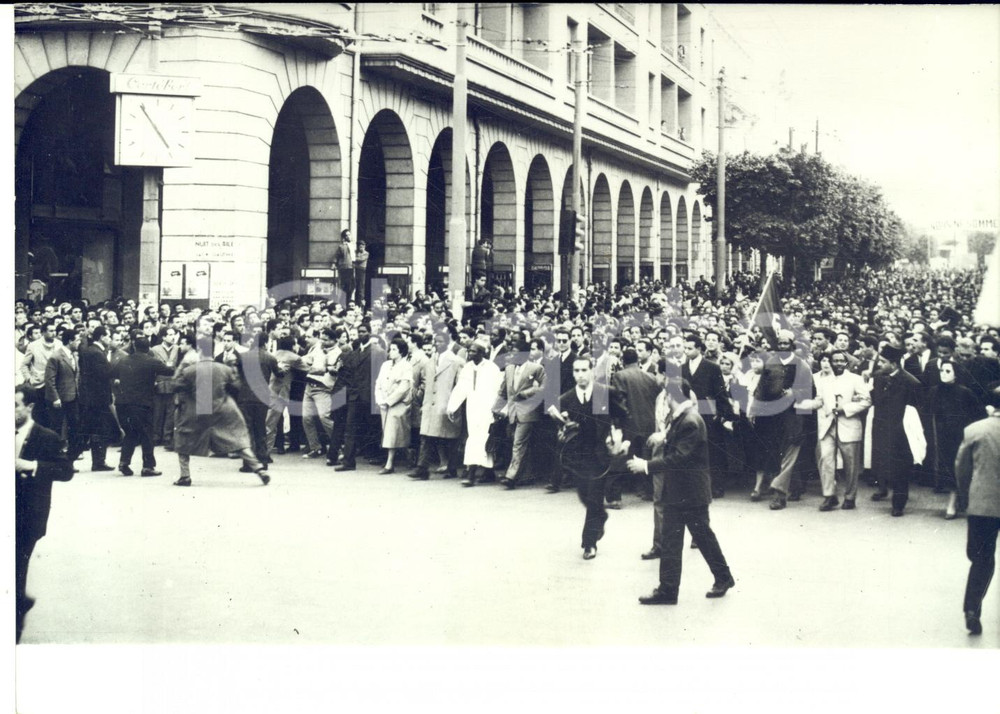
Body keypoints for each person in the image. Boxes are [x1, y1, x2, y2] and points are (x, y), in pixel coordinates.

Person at [628, 366, 735, 605]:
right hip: (680, 492)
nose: (665, 399)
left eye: (666, 395)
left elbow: (679, 458)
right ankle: (668, 590)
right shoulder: (683, 418)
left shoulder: (690, 421)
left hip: (690, 493)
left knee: (702, 538)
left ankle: (722, 577)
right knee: (673, 541)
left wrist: (646, 466)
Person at [15, 384, 73, 642]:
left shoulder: (46, 437)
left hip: (27, 516)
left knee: (15, 567)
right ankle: (20, 601)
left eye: (14, 406)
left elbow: (66, 471)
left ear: (30, 407)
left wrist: (31, 465)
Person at [171, 336, 270, 487]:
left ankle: (185, 476)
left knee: (183, 440)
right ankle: (258, 468)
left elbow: (176, 385)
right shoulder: (224, 369)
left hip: (198, 409)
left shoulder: (190, 370)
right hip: (223, 408)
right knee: (238, 439)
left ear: (199, 351)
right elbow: (236, 385)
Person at [552, 355, 616, 560]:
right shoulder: (566, 399)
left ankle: (589, 543)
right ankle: (601, 515)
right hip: (578, 456)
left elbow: (623, 416)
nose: (580, 375)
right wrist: (562, 429)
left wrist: (618, 435)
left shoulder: (604, 394)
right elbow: (560, 430)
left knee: (595, 495)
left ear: (591, 371)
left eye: (583, 370)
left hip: (599, 454)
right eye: (576, 371)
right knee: (584, 495)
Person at [955, 383, 1000, 636]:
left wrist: (965, 498)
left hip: (982, 505)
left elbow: (961, 469)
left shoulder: (974, 430)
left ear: (991, 407)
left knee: (981, 560)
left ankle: (972, 610)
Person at [868, 344, 924, 517]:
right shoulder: (878, 377)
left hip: (900, 433)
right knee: (883, 464)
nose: (879, 365)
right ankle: (883, 488)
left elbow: (915, 411)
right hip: (881, 428)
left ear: (893, 364)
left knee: (900, 469)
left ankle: (898, 503)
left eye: (883, 362)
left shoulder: (911, 382)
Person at [812, 350, 871, 511]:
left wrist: (846, 408)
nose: (838, 363)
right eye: (835, 361)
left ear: (846, 363)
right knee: (826, 460)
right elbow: (819, 399)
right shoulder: (824, 381)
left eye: (841, 361)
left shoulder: (855, 379)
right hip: (827, 426)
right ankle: (829, 496)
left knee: (850, 464)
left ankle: (850, 497)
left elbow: (866, 400)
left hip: (848, 425)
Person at [929, 360, 985, 519]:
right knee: (946, 469)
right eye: (942, 370)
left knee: (958, 469)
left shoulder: (964, 392)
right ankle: (958, 499)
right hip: (941, 437)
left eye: (948, 371)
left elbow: (978, 413)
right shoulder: (935, 391)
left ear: (956, 374)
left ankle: (952, 504)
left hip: (959, 436)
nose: (943, 374)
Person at [408, 326, 465, 481]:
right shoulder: (431, 360)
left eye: (440, 341)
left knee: (449, 438)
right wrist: (423, 403)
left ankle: (451, 467)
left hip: (446, 404)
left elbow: (459, 385)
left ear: (447, 343)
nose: (437, 344)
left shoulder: (456, 361)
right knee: (426, 436)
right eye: (435, 342)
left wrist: (454, 405)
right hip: (430, 404)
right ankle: (422, 468)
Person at [113, 336, 174, 476]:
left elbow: (113, 374)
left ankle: (124, 462)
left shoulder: (123, 360)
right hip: (141, 404)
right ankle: (148, 466)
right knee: (147, 435)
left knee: (131, 433)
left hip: (122, 403)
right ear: (148, 348)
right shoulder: (152, 361)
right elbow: (169, 371)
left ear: (134, 346)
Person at [608, 346, 660, 507]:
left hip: (629, 422)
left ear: (623, 361)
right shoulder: (650, 377)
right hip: (649, 423)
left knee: (619, 457)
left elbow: (619, 400)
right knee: (646, 458)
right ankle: (650, 492)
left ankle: (614, 498)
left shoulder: (619, 375)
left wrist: (616, 422)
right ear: (637, 360)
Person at [447, 339, 503, 486]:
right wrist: (452, 407)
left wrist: (497, 410)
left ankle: (471, 473)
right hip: (472, 409)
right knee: (476, 438)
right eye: (469, 350)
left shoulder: (492, 368)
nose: (470, 353)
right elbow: (461, 388)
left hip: (487, 409)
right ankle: (488, 473)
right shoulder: (467, 368)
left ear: (482, 353)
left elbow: (499, 391)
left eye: (474, 351)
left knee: (481, 439)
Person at [494, 336, 545, 489]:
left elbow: (543, 387)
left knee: (518, 443)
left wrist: (526, 393)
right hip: (512, 412)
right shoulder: (509, 369)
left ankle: (511, 476)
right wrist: (495, 408)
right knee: (519, 444)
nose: (512, 356)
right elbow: (503, 390)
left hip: (528, 413)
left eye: (516, 353)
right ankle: (527, 474)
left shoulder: (536, 368)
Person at [77, 325, 119, 471]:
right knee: (100, 430)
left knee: (95, 430)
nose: (110, 339)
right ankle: (98, 462)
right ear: (101, 337)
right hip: (98, 399)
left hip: (92, 398)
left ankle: (98, 461)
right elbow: (103, 374)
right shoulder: (97, 353)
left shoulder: (91, 351)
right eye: (108, 336)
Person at [374, 337, 413, 474]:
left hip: (398, 404)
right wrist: (380, 399)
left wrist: (388, 401)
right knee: (390, 432)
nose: (391, 352)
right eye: (391, 349)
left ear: (401, 352)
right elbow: (378, 383)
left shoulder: (407, 366)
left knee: (393, 433)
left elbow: (403, 388)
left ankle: (389, 464)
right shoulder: (386, 365)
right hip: (385, 404)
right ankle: (408, 456)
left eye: (394, 349)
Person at [333, 229, 355, 305]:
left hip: (352, 267)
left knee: (352, 286)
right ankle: (345, 302)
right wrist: (334, 263)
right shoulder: (342, 246)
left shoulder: (352, 245)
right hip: (345, 267)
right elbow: (337, 255)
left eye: (349, 234)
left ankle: (347, 301)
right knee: (347, 286)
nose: (349, 236)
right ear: (344, 237)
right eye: (347, 235)